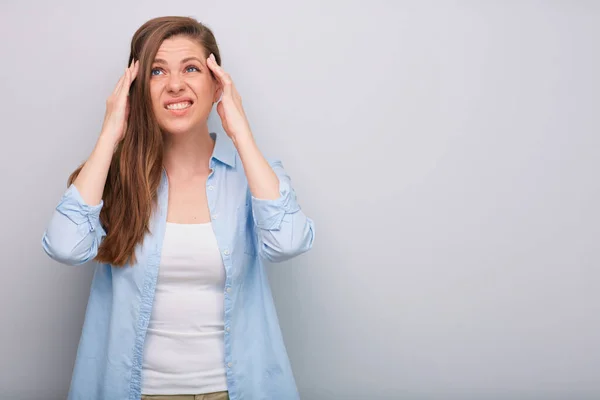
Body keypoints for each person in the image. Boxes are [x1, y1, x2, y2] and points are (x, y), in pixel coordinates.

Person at [41, 16, 315, 400]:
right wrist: (110, 131)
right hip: (136, 392)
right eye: (157, 71)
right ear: (137, 89)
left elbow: (288, 242)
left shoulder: (253, 176)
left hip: (235, 391)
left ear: (216, 82)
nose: (174, 84)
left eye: (191, 68)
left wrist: (240, 130)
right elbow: (65, 246)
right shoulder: (116, 179)